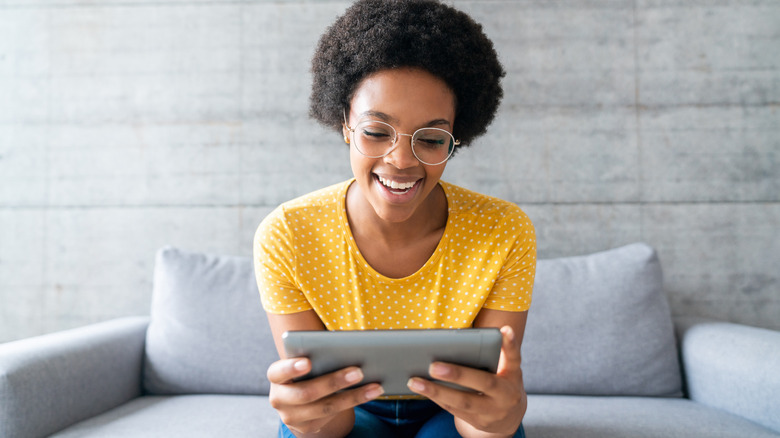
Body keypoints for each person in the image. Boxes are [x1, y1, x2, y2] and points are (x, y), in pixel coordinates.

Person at [253, 0, 536, 436]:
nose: (401, 160)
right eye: (375, 131)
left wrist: (498, 420)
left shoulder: (503, 231)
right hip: (352, 412)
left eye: (431, 138)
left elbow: (479, 414)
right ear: (345, 124)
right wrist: (308, 419)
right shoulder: (288, 234)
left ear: (456, 139)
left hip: (451, 412)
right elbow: (329, 420)